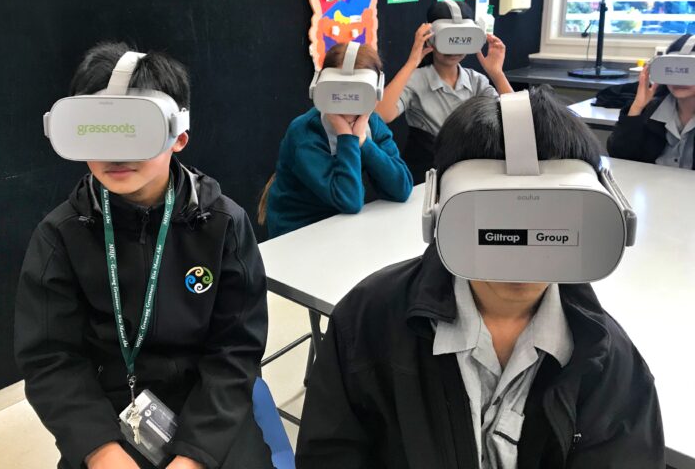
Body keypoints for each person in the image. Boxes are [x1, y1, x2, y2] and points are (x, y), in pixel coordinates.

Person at [296, 86, 664, 469]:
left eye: (549, 219)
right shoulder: (366, 323)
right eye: (497, 218)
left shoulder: (611, 365)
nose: (522, 253)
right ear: (439, 208)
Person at [14, 43, 272, 469]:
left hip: (208, 405)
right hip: (107, 412)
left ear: (179, 135)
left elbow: (236, 349)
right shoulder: (61, 235)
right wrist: (99, 448)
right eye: (99, 131)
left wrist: (196, 455)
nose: (116, 153)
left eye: (134, 131)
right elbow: (50, 358)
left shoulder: (223, 224)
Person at [260, 42, 412, 238]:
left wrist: (363, 142)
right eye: (338, 92)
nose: (347, 102)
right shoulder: (304, 134)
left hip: (340, 224)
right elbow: (349, 201)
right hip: (297, 233)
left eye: (358, 93)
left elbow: (401, 188)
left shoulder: (373, 124)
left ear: (376, 91)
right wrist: (347, 136)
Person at [375, 1, 514, 181]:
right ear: (430, 37)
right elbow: (380, 114)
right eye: (448, 39)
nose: (453, 49)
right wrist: (412, 63)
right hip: (427, 176)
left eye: (461, 39)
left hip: (469, 173)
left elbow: (515, 116)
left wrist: (497, 74)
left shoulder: (476, 81)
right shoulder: (416, 79)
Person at [607, 33, 695, 169]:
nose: (679, 80)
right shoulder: (652, 110)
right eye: (672, 70)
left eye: (689, 71)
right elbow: (620, 155)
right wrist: (637, 107)